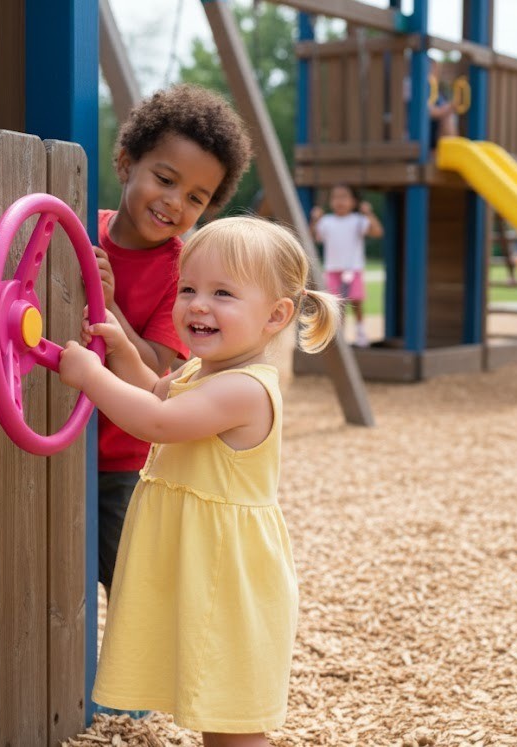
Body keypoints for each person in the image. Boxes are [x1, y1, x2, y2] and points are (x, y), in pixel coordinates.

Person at [59, 217, 341, 746]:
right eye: (188, 288)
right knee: (214, 701)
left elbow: (157, 423)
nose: (197, 305)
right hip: (201, 560)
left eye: (223, 293)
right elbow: (156, 393)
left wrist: (91, 377)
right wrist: (122, 352)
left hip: (226, 574)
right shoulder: (200, 372)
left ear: (276, 315)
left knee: (232, 716)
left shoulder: (244, 390)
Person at [93, 84, 252, 597]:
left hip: (121, 459)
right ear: (126, 163)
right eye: (165, 179)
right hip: (53, 442)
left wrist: (109, 306)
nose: (174, 203)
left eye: (195, 198)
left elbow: (155, 364)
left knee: (133, 588)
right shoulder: (81, 229)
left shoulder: (183, 272)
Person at [310, 184, 383, 347]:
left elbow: (377, 232)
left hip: (353, 269)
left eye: (344, 197)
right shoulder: (326, 221)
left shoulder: (358, 220)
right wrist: (315, 219)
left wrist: (368, 213)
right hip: (333, 269)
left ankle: (360, 332)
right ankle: (339, 336)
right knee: (337, 304)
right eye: (335, 197)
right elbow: (312, 237)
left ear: (353, 201)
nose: (339, 201)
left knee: (357, 302)